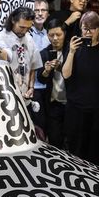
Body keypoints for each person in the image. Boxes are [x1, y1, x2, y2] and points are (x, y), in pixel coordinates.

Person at [62, 11, 99, 164]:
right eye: (85, 28)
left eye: (92, 28)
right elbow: (65, 75)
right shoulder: (73, 48)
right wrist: (72, 52)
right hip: (76, 108)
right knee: (75, 148)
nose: (88, 31)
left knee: (95, 148)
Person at [0, 8, 42, 103]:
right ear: (13, 20)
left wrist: (31, 87)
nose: (24, 31)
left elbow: (33, 67)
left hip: (25, 98)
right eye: (21, 27)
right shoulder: (0, 38)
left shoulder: (30, 40)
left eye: (28, 28)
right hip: (5, 97)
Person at [36, 18, 69, 146]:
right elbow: (41, 78)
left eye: (58, 35)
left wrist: (61, 68)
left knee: (70, 138)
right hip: (53, 102)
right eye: (51, 35)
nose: (55, 38)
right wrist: (46, 70)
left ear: (64, 34)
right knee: (55, 139)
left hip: (71, 102)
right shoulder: (44, 53)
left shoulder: (71, 51)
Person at [31, 0, 53, 131]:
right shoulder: (26, 34)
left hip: (49, 88)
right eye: (36, 10)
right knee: (37, 125)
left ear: (48, 14)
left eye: (43, 10)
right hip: (33, 87)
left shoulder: (50, 35)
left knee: (47, 125)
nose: (39, 13)